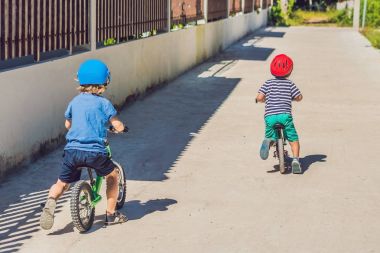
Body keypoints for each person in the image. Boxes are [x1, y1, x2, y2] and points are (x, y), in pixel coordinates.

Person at [40, 59, 127, 230]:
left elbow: (67, 125)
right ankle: (111, 215)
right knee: (113, 177)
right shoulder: (104, 103)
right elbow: (117, 125)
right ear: (104, 82)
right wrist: (121, 128)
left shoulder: (75, 101)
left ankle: (50, 201)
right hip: (95, 152)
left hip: (72, 151)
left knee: (62, 183)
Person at [256, 54, 303, 174]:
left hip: (270, 116)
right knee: (293, 138)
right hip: (285, 116)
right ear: (289, 71)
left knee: (270, 134)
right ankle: (296, 160)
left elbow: (260, 97)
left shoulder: (267, 83)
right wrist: (296, 98)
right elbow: (299, 97)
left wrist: (260, 100)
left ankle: (268, 141)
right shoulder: (290, 84)